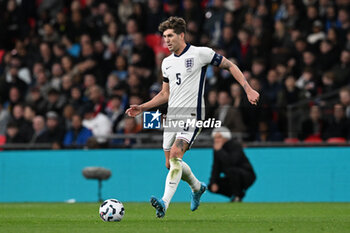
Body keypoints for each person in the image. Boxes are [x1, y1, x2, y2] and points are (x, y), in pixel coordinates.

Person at [126, 17, 259, 218]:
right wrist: (142, 107)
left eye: (170, 36)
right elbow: (165, 94)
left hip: (192, 115)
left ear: (181, 35)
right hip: (172, 117)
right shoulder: (167, 63)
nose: (167, 41)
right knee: (170, 164)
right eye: (164, 37)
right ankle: (197, 188)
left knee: (176, 156)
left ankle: (164, 203)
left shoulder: (200, 53)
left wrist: (248, 89)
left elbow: (230, 65)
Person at [209, 127, 256, 202]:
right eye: (215, 138)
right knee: (211, 186)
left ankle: (237, 195)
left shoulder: (235, 145)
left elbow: (232, 162)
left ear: (226, 138)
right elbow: (216, 167)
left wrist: (220, 151)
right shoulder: (217, 150)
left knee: (232, 170)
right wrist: (213, 182)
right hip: (231, 177)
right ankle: (236, 195)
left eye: (219, 137)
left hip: (246, 176)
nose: (216, 140)